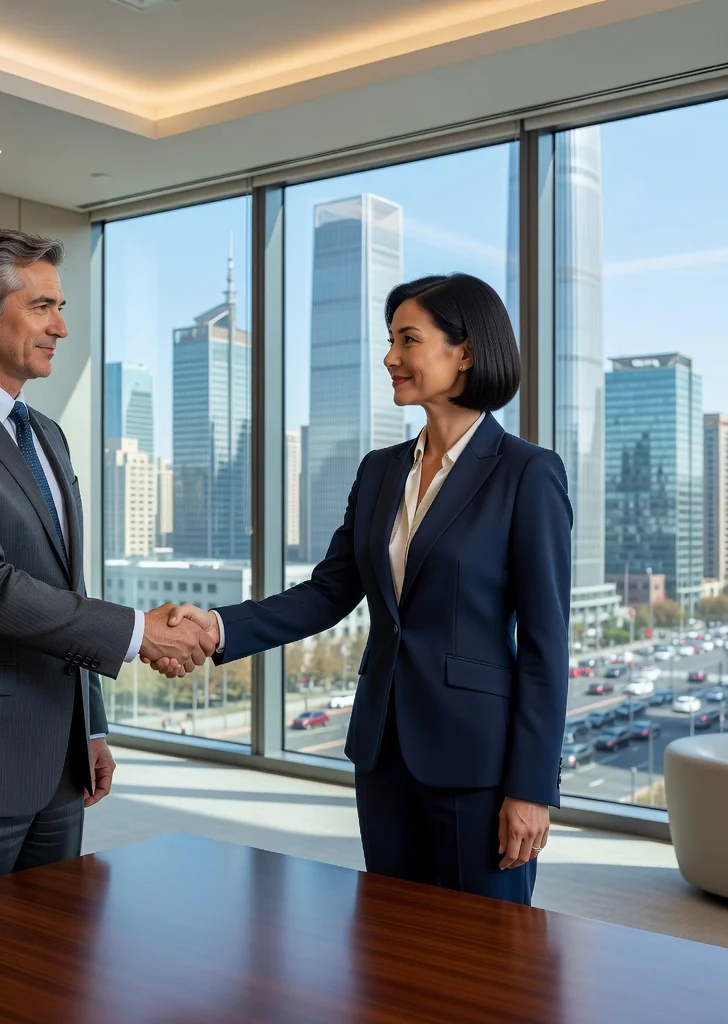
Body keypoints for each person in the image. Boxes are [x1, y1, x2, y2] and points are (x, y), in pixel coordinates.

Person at [154, 273, 572, 906]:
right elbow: (329, 591)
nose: (390, 358)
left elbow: (546, 645)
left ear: (464, 351)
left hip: (478, 762)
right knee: (389, 946)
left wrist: (532, 787)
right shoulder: (380, 470)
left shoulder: (527, 473)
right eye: (389, 340)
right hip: (383, 751)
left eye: (408, 339)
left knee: (487, 961)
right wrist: (216, 627)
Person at [0, 228, 212, 900]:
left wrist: (92, 724)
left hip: (58, 758)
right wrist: (141, 633)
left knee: (52, 968)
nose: (60, 326)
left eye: (62, 308)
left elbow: (64, 590)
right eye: (42, 307)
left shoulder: (45, 434)